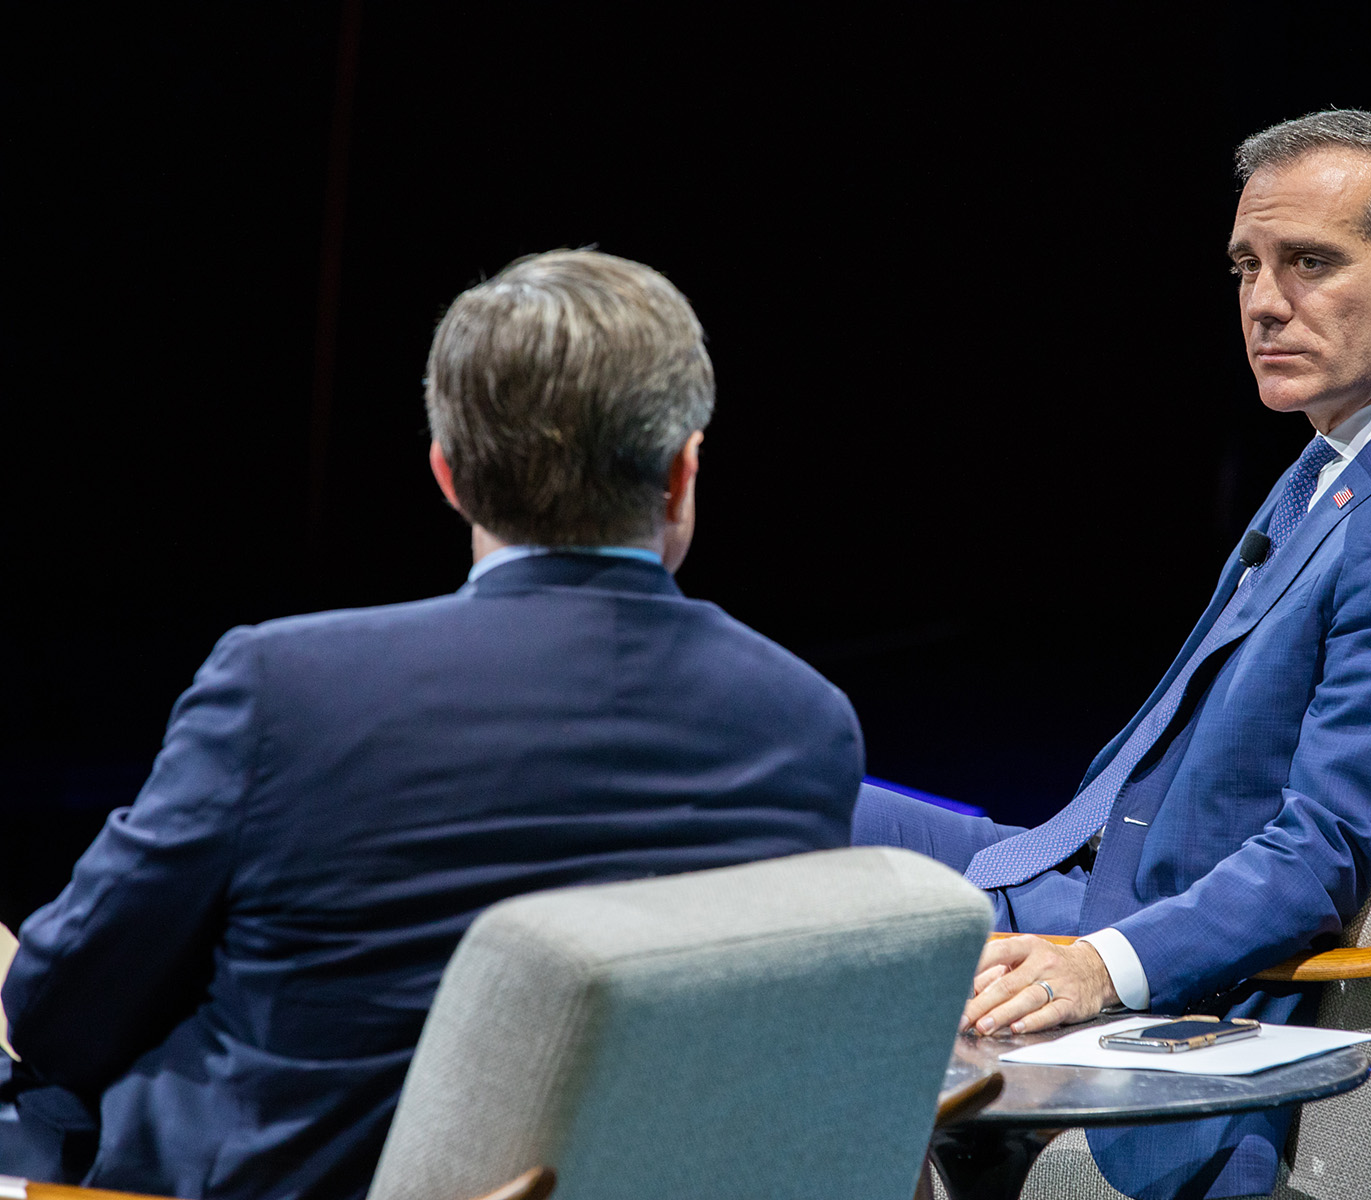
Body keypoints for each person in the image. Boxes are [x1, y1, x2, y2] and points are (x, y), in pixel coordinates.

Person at [0, 250, 865, 1198]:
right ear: (680, 473)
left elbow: (55, 1014)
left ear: (447, 474)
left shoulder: (285, 686)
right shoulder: (804, 727)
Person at [855, 110, 1371, 1199]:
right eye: (1247, 267)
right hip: (1089, 867)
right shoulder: (1346, 455)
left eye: (1311, 263)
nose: (1265, 302)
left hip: (1142, 937)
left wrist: (1096, 967)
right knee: (777, 791)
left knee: (750, 848)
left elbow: (1321, 851)